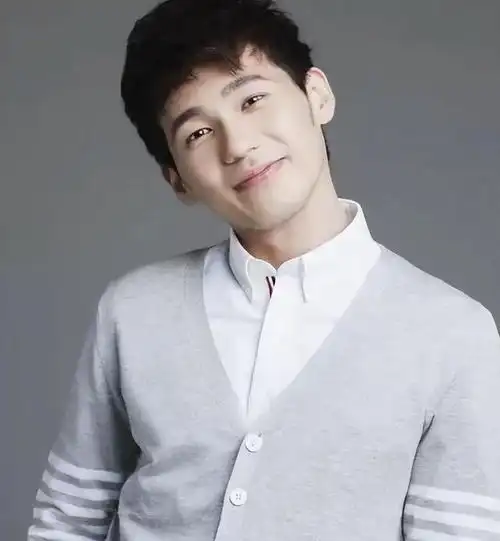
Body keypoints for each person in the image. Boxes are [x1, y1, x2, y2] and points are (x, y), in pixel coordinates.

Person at [28, 0, 500, 539]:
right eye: (198, 133)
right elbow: (66, 520)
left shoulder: (452, 335)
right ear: (176, 178)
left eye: (252, 99)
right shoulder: (132, 312)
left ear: (317, 95)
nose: (238, 145)